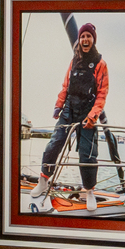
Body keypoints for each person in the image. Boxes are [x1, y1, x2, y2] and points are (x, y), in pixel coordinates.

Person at [31, 21, 109, 211]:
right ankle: (43, 180)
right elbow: (65, 86)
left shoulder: (100, 63)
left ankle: (89, 190)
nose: (85, 39)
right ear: (80, 39)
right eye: (82, 36)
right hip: (69, 109)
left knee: (87, 153)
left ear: (93, 40)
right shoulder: (73, 61)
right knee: (54, 143)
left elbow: (102, 93)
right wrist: (58, 106)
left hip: (87, 113)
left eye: (88, 36)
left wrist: (93, 116)